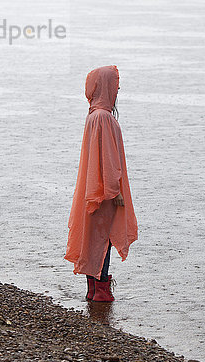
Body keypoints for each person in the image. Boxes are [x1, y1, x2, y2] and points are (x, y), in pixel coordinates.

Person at [64, 65, 138, 302]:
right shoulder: (103, 117)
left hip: (94, 188)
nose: (118, 89)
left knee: (96, 236)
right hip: (104, 190)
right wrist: (114, 190)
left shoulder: (94, 116)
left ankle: (93, 289)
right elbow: (107, 157)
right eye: (115, 84)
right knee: (103, 236)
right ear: (105, 87)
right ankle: (101, 291)